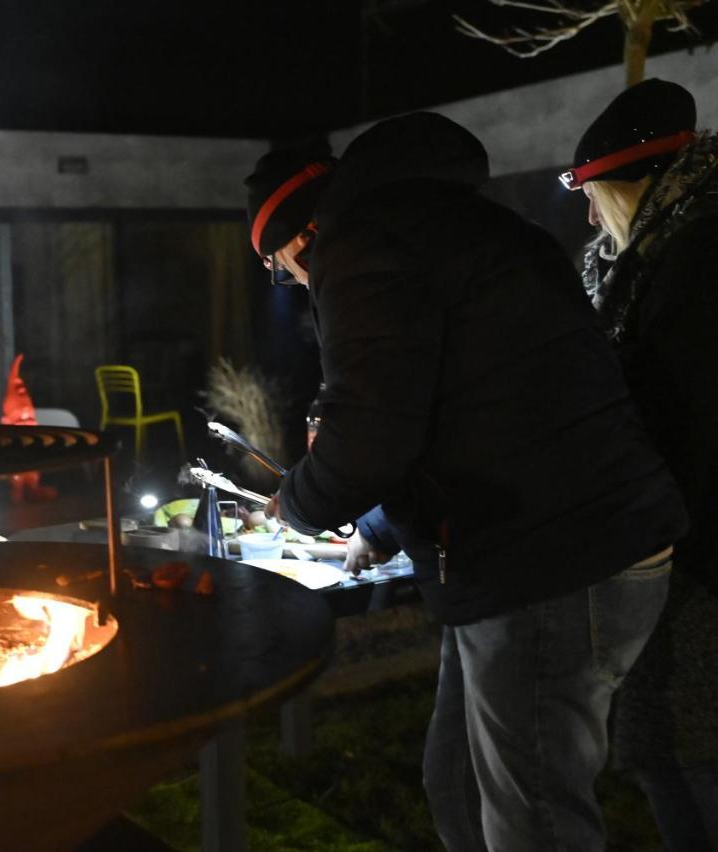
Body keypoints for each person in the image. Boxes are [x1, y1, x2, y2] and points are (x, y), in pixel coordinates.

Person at [247, 112, 688, 851]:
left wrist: (297, 502)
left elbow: (371, 432)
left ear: (296, 237)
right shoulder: (454, 225)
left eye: (275, 265)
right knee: (454, 778)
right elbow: (468, 403)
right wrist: (384, 528)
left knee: (534, 822)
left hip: (550, 559)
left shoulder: (363, 247)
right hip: (537, 546)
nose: (289, 280)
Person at [564, 78, 718, 851]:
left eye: (593, 193)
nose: (589, 216)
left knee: (695, 756)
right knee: (663, 752)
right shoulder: (658, 257)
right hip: (667, 546)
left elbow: (676, 417)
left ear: (637, 182)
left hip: (697, 556)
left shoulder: (695, 264)